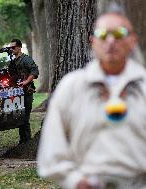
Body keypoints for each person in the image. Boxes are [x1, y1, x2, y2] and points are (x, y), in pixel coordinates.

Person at [37, 13, 146, 189]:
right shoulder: (71, 87)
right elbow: (52, 148)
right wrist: (75, 180)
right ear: (93, 41)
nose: (111, 41)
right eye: (103, 34)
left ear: (132, 40)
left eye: (119, 34)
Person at [9, 39, 39, 144]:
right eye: (10, 48)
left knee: (25, 118)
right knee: (20, 118)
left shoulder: (26, 59)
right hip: (17, 93)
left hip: (26, 92)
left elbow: (35, 71)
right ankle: (23, 141)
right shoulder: (13, 62)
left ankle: (27, 141)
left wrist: (26, 81)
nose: (11, 49)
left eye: (13, 47)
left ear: (19, 47)